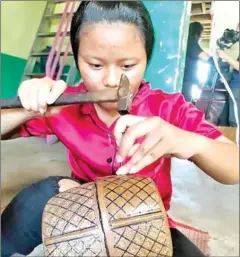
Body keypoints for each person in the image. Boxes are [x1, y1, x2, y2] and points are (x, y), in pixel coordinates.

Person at [1, 2, 239, 257]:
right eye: (95, 65)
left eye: (127, 66)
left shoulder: (169, 109)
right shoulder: (62, 105)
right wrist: (29, 106)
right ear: (78, 58)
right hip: (79, 201)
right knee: (37, 199)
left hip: (144, 219)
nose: (112, 80)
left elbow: (233, 168)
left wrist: (188, 142)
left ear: (146, 59)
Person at [182, 22, 210, 102]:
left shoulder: (188, 43)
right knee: (185, 103)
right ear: (197, 32)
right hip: (186, 81)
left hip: (187, 79)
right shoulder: (191, 43)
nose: (202, 36)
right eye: (201, 33)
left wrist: (197, 82)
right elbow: (205, 57)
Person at [217, 49, 239, 127]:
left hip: (238, 89)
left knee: (235, 121)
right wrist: (227, 76)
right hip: (235, 88)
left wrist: (226, 56)